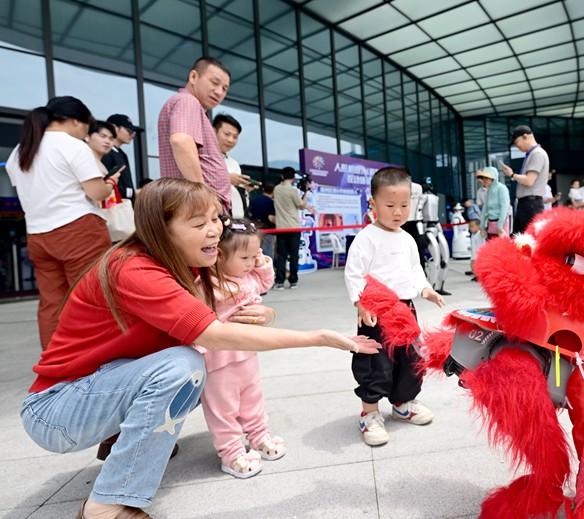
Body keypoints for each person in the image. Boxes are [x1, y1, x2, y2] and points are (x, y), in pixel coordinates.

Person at [19, 178, 379, 519]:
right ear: (160, 230)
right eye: (197, 223)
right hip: (56, 410)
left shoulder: (186, 265)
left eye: (215, 218)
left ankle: (119, 443)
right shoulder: (134, 269)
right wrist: (317, 337)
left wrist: (265, 312)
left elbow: (229, 308)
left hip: (99, 390)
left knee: (189, 374)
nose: (214, 230)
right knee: (183, 366)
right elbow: (213, 334)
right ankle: (105, 505)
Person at [5, 96, 119, 349]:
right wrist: (109, 184)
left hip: (38, 235)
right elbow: (95, 193)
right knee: (91, 299)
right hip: (79, 230)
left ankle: (56, 363)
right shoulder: (73, 146)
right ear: (76, 121)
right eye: (86, 127)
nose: (85, 133)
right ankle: (94, 360)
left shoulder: (20, 150)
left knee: (51, 303)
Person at [344, 167, 446, 446]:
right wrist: (360, 302)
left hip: (405, 310)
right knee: (376, 362)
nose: (398, 212)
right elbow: (354, 273)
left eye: (404, 205)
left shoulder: (407, 238)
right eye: (390, 205)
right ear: (373, 203)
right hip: (375, 311)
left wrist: (426, 290)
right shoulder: (366, 238)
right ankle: (370, 413)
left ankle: (403, 403)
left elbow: (414, 271)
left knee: (410, 359)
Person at [196, 217, 285, 479]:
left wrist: (261, 263)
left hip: (246, 352)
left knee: (252, 397)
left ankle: (259, 436)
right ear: (219, 255)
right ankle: (231, 452)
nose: (250, 263)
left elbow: (265, 282)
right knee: (223, 408)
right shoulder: (209, 283)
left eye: (253, 256)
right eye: (245, 257)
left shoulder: (248, 277)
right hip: (217, 358)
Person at [158, 56, 232, 212]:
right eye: (214, 82)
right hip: (197, 207)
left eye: (225, 88)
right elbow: (180, 141)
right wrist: (203, 195)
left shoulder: (189, 105)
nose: (219, 92)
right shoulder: (188, 101)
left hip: (195, 207)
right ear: (193, 77)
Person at [501, 125, 550, 232]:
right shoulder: (532, 154)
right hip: (527, 204)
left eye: (517, 142)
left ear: (525, 136)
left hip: (531, 204)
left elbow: (529, 180)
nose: (517, 147)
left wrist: (512, 175)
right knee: (521, 240)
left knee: (529, 240)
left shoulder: (537, 154)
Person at [212, 113, 253, 218]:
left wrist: (245, 190)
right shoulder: (204, 158)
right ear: (213, 131)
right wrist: (226, 179)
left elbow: (240, 200)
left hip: (237, 219)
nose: (231, 140)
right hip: (216, 218)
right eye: (227, 134)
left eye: (235, 137)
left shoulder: (234, 163)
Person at [273, 167, 308, 289]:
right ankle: (293, 280)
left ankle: (280, 281)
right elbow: (301, 206)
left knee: (281, 255)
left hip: (281, 227)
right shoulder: (292, 191)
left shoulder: (276, 189)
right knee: (294, 255)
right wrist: (306, 193)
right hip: (293, 227)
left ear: (282, 176)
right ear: (293, 177)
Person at [104, 113, 142, 205]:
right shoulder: (106, 153)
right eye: (129, 131)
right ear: (114, 128)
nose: (132, 135)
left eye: (134, 132)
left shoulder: (122, 154)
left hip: (126, 204)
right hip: (113, 205)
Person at [477, 167, 511, 240]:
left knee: (502, 248)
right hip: (491, 224)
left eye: (487, 178)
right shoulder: (488, 191)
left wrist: (500, 225)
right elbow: (485, 209)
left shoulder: (502, 188)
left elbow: (504, 208)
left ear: (493, 177)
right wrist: (482, 226)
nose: (484, 180)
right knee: (490, 248)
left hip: (501, 224)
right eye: (483, 178)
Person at [248, 183, 276, 260]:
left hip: (255, 229)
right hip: (269, 230)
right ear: (273, 192)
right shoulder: (271, 202)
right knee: (268, 252)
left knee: (256, 251)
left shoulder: (255, 200)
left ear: (263, 189)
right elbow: (271, 218)